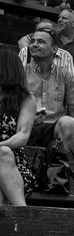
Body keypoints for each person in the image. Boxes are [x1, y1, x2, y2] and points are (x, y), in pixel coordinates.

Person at [24, 28, 74, 155]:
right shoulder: (20, 72)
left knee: (69, 122)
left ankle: (63, 169)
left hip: (54, 130)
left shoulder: (64, 74)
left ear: (54, 49)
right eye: (32, 41)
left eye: (40, 41)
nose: (34, 44)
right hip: (25, 126)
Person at [0, 45, 35, 205]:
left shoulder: (25, 98)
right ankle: (22, 223)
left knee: (4, 153)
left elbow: (23, 134)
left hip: (13, 162)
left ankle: (21, 215)